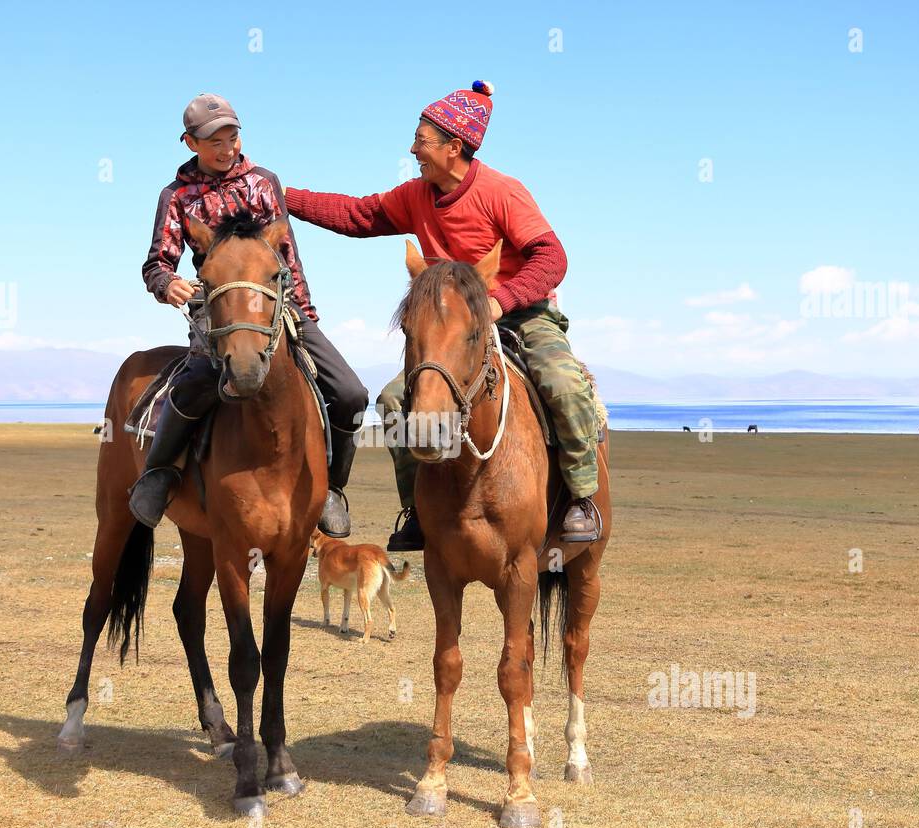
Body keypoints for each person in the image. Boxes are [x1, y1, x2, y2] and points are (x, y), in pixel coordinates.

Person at [283, 81, 601, 551]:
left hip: (520, 313)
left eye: (421, 140)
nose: (413, 149)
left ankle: (581, 497)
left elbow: (552, 257)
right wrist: (280, 195)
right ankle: (417, 509)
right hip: (452, 329)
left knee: (561, 381)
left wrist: (501, 300)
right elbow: (357, 215)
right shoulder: (417, 195)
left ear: (455, 147)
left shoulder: (502, 192)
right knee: (395, 401)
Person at [132, 93, 368, 534]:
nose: (227, 149)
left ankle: (332, 487)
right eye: (215, 141)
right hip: (218, 316)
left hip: (279, 311)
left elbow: (287, 252)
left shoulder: (264, 182)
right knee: (194, 385)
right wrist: (169, 284)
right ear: (190, 143)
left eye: (233, 137)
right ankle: (160, 474)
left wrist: (306, 314)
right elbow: (157, 262)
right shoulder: (177, 196)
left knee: (352, 394)